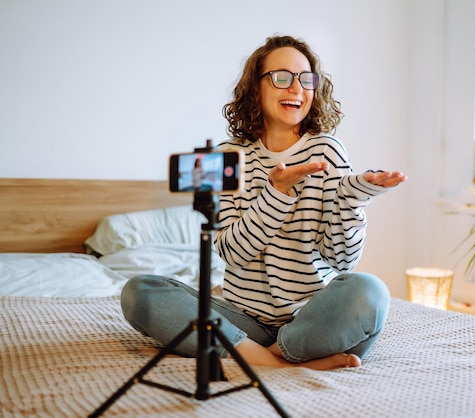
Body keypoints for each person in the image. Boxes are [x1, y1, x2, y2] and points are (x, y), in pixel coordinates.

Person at [120, 35, 407, 371]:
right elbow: (232, 251)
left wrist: (352, 199)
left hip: (314, 320)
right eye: (281, 77)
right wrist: (277, 194)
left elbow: (341, 259)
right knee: (140, 292)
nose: (296, 88)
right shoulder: (231, 157)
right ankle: (279, 363)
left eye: (306, 78)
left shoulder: (328, 151)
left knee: (369, 291)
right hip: (245, 321)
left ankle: (260, 354)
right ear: (256, 88)